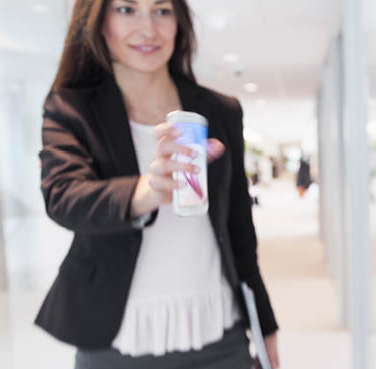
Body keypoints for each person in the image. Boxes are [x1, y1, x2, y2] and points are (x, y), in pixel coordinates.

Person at [34, 0, 279, 368]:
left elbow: (240, 230)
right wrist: (145, 191)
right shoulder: (71, 109)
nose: (148, 28)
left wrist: (266, 327)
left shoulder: (219, 111)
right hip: (118, 341)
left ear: (179, 22)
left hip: (218, 335)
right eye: (127, 10)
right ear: (99, 22)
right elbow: (63, 197)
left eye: (162, 11)